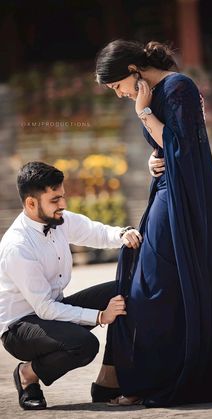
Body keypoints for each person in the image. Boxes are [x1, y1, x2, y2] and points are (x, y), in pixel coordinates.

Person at [95, 39, 212, 406]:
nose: (119, 95)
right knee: (147, 278)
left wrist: (144, 112)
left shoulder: (177, 87)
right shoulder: (154, 93)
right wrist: (151, 161)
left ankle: (172, 376)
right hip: (169, 188)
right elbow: (166, 149)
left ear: (132, 70)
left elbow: (184, 148)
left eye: (116, 87)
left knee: (162, 286)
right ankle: (147, 375)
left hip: (193, 195)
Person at [0, 160, 143, 410]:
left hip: (53, 309)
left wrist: (123, 233)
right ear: (31, 203)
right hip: (20, 328)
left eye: (62, 197)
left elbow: (93, 232)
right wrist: (100, 316)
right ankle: (28, 374)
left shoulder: (59, 220)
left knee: (124, 290)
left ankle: (110, 379)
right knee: (84, 345)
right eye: (55, 200)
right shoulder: (17, 246)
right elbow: (45, 309)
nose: (63, 205)